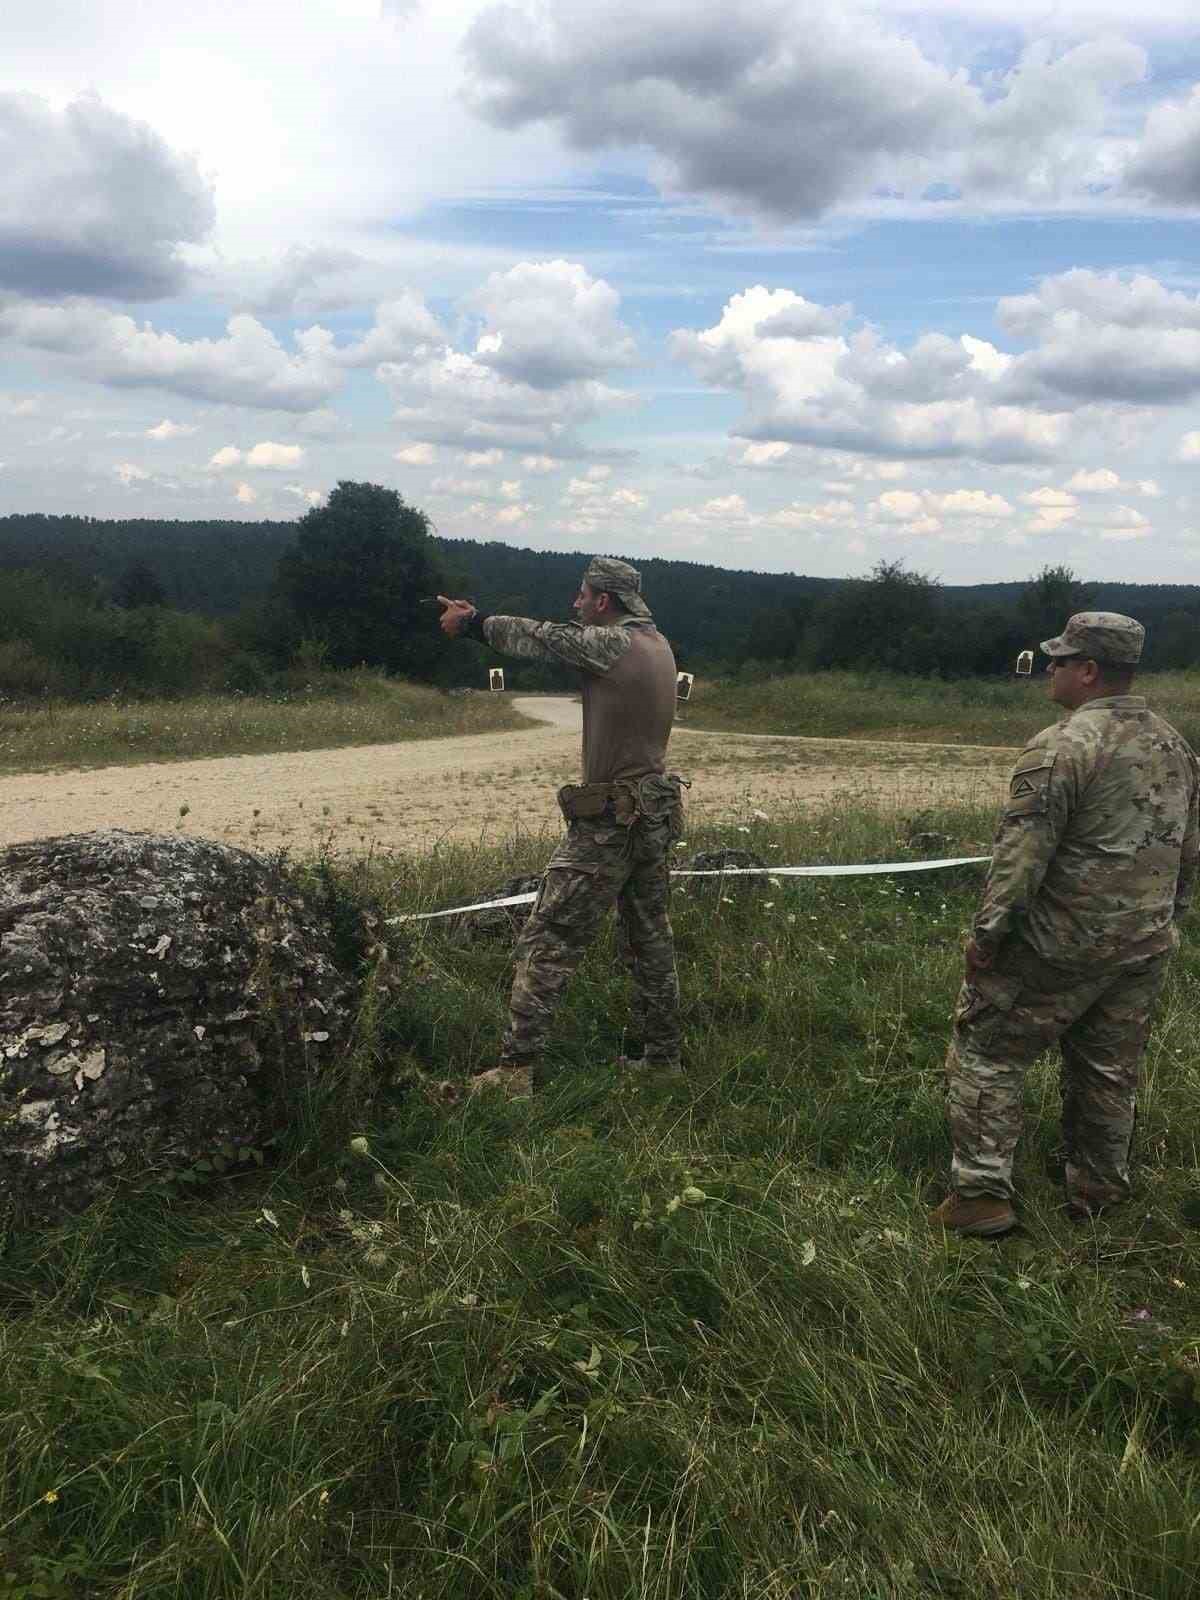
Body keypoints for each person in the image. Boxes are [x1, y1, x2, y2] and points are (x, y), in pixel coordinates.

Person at [932, 612, 1199, 1237]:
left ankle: (979, 1195)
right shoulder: (1174, 745)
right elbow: (1189, 852)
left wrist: (989, 935)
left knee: (986, 1054)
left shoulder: (1062, 745)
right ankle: (1099, 1190)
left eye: (1059, 661)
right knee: (1108, 1069)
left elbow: (1021, 854)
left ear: (1089, 671)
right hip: (1141, 943)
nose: (1048, 670)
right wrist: (1166, 920)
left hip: (1059, 942)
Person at [437, 557, 685, 1097]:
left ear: (602, 601)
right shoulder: (658, 644)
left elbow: (539, 638)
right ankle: (663, 1060)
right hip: (652, 816)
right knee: (649, 940)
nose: (575, 604)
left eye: (581, 595)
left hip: (611, 823)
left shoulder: (610, 644)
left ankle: (515, 1072)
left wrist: (473, 623)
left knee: (547, 940)